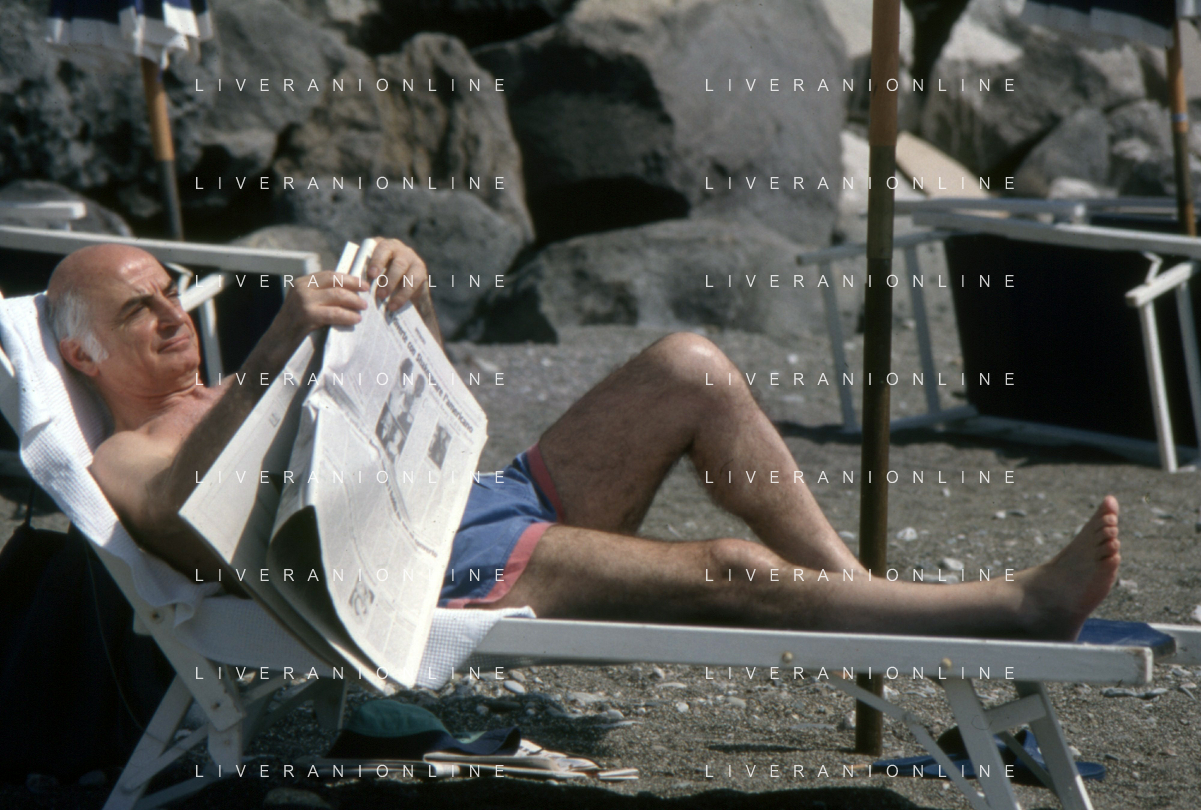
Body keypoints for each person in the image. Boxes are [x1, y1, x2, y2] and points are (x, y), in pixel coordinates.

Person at [47, 238, 1121, 643]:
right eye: (141, 310)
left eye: (172, 291)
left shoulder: (232, 380)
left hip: (472, 501)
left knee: (690, 365)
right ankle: (1012, 607)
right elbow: (184, 514)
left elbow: (438, 419)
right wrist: (279, 346)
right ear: (82, 355)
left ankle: (865, 605)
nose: (174, 315)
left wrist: (412, 302)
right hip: (424, 568)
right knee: (728, 568)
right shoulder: (123, 456)